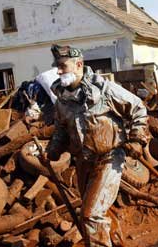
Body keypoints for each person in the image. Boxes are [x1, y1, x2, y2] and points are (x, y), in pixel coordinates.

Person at [47, 44, 149, 246]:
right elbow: (61, 128)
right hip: (83, 162)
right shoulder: (62, 100)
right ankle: (115, 241)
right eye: (56, 66)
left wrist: (137, 140)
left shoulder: (104, 90)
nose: (58, 71)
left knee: (91, 214)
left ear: (78, 64)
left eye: (62, 66)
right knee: (97, 208)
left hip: (109, 158)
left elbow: (138, 108)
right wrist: (54, 148)